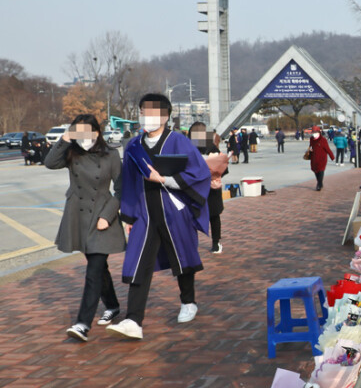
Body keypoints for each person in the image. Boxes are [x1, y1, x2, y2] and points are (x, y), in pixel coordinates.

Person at [106, 93, 211, 340]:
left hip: (174, 210)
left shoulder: (179, 142)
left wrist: (164, 179)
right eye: (143, 111)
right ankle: (133, 320)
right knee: (138, 261)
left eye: (152, 112)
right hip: (144, 212)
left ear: (165, 116)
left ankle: (188, 301)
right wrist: (129, 216)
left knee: (181, 255)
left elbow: (200, 174)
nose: (146, 117)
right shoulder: (133, 146)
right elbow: (129, 183)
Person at [44, 114, 126, 341]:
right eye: (77, 132)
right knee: (97, 266)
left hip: (101, 217)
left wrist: (107, 216)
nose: (82, 137)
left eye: (85, 132)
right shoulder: (72, 153)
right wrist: (66, 138)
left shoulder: (111, 154)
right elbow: (50, 163)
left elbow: (120, 189)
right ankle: (112, 304)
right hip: (77, 218)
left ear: (96, 133)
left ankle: (82, 324)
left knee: (93, 270)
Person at [189, 122, 228, 254]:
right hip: (204, 186)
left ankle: (210, 243)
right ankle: (214, 243)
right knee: (211, 216)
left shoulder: (200, 148)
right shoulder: (195, 148)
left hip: (202, 187)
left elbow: (224, 168)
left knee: (204, 215)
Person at [308, 125, 334, 191]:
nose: (314, 134)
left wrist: (332, 156)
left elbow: (327, 149)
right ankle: (320, 183)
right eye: (313, 132)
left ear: (319, 132)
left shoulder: (323, 140)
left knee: (321, 170)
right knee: (315, 170)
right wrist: (310, 150)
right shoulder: (311, 139)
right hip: (314, 158)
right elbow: (310, 146)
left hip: (322, 158)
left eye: (315, 132)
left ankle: (319, 185)